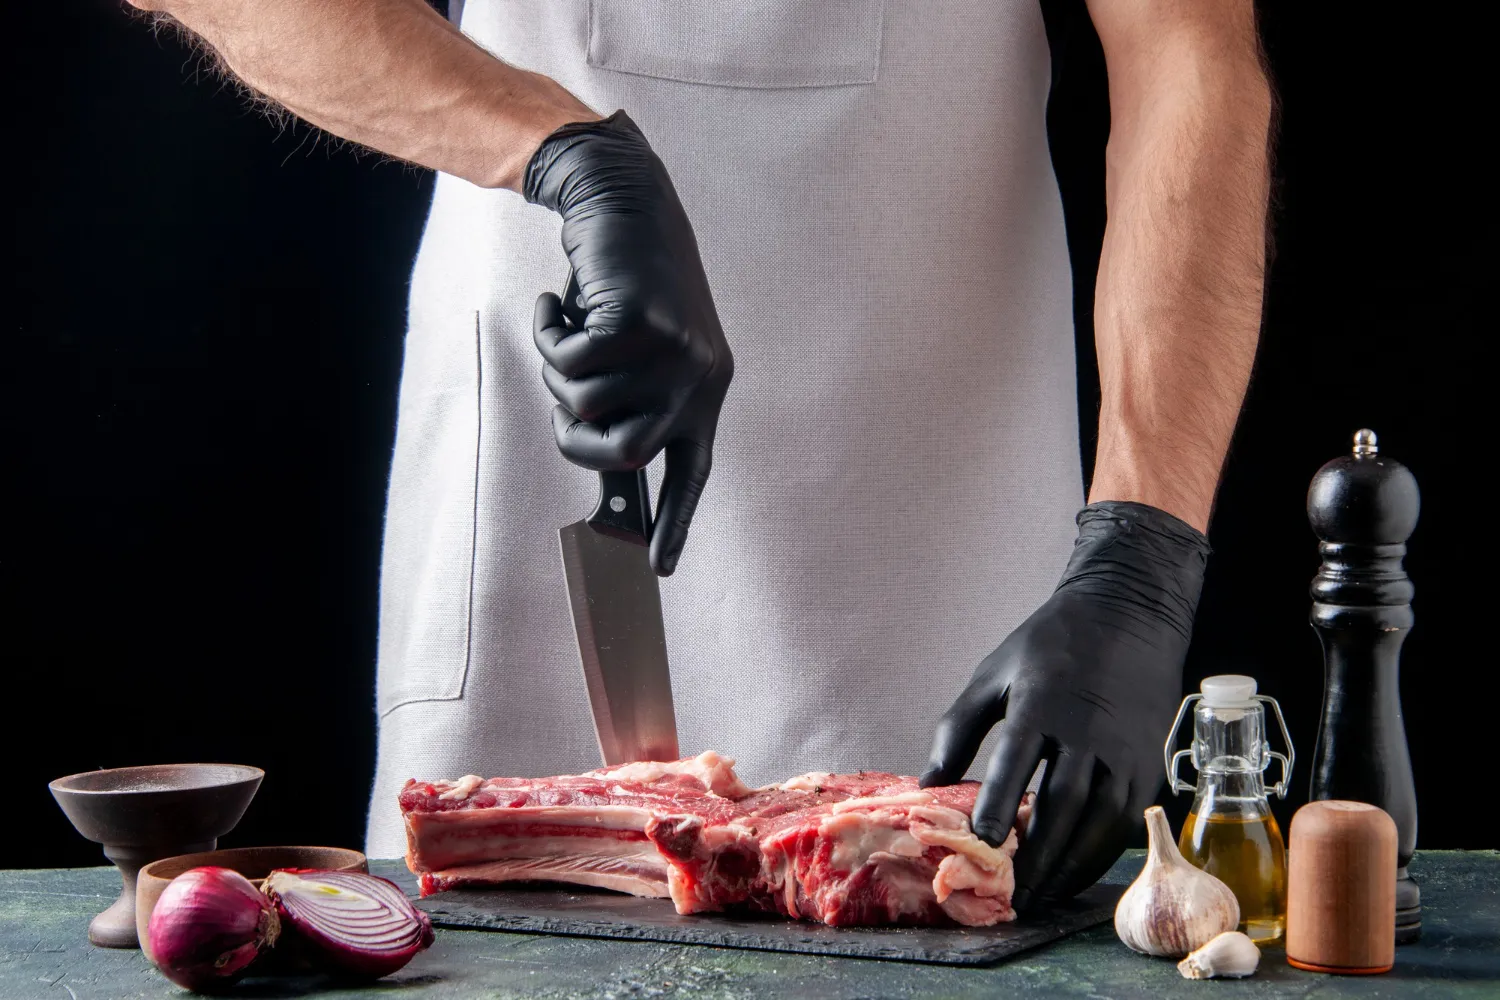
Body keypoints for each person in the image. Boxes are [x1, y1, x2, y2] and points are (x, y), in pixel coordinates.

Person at [127, 0, 1271, 909]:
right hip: (553, 426)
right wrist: (565, 158)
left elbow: (1188, 47)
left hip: (943, 501)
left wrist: (1141, 544)